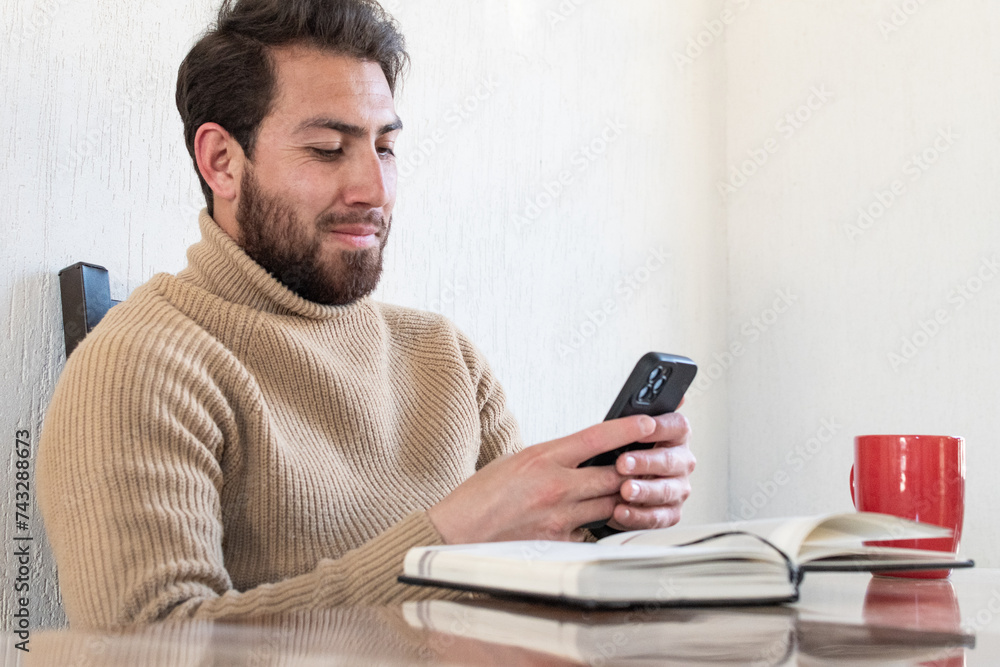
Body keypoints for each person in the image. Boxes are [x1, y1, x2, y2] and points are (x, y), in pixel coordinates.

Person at [37, 0, 695, 630]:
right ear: (222, 162)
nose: (374, 191)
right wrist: (442, 544)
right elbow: (148, 649)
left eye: (385, 147)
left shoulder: (445, 357)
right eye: (328, 149)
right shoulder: (141, 365)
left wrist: (599, 522)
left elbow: (520, 584)